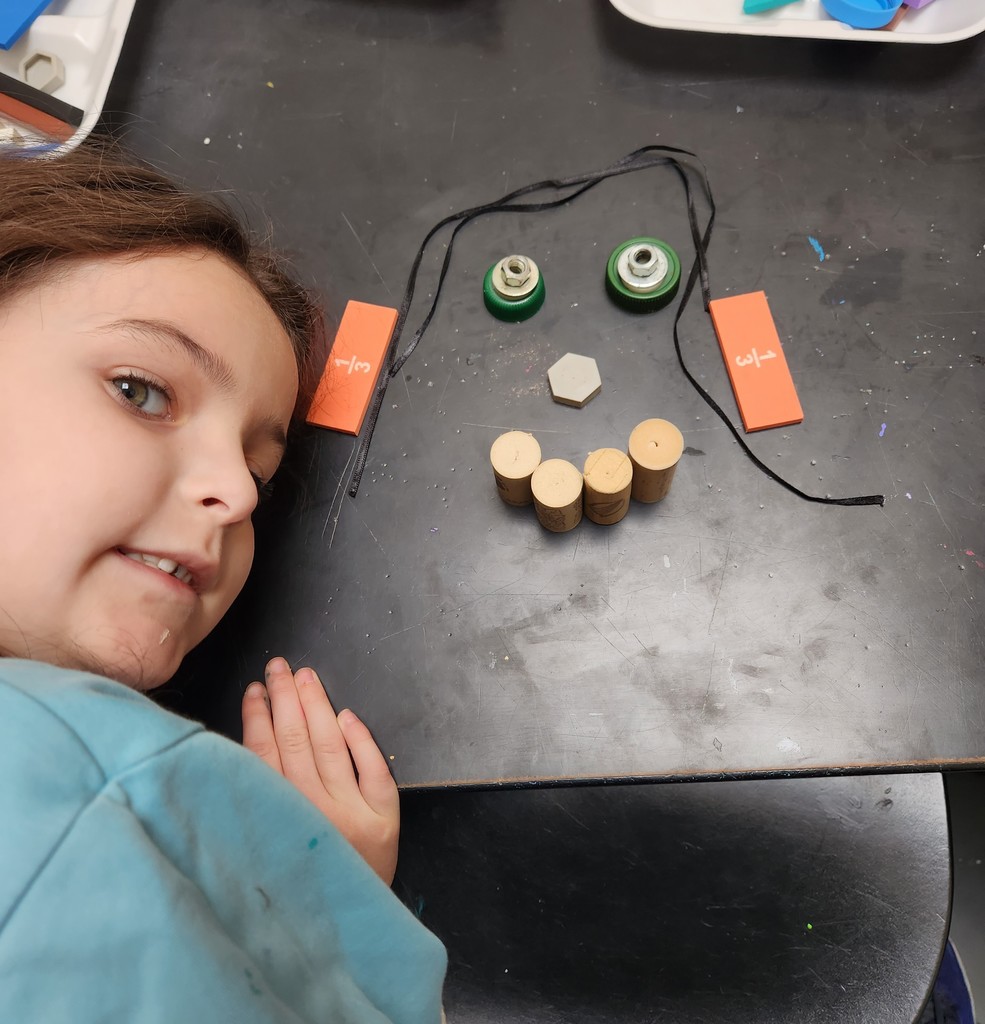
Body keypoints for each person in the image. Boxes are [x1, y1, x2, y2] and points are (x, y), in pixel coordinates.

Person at [0, 137, 446, 1021]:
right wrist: (309, 915)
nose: (240, 494)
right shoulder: (93, 799)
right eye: (141, 392)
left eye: (261, 468)